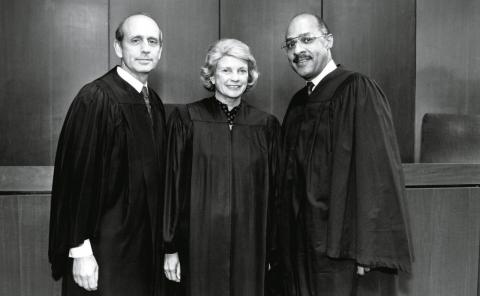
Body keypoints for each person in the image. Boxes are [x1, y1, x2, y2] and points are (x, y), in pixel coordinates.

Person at [280, 13, 412, 296]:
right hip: (302, 246)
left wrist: (368, 247)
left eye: (306, 40)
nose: (298, 50)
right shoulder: (298, 103)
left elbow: (376, 172)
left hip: (341, 247)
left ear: (328, 41)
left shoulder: (357, 89)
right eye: (290, 44)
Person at [48, 14, 167, 296]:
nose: (145, 49)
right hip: (105, 250)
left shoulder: (155, 103)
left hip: (142, 250)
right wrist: (80, 251)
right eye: (135, 40)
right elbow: (76, 180)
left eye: (152, 42)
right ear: (118, 47)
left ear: (160, 50)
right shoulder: (96, 98)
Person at [163, 39, 282, 296]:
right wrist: (169, 247)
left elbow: (276, 195)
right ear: (212, 76)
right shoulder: (186, 119)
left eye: (242, 71)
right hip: (198, 242)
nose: (235, 78)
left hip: (250, 245)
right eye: (226, 70)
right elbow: (172, 187)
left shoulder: (266, 126)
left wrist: (273, 250)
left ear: (250, 76)